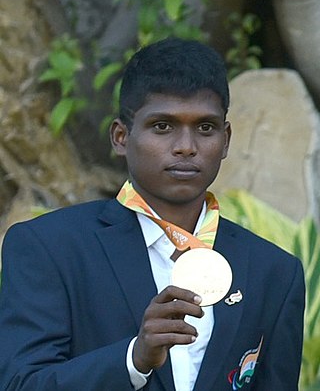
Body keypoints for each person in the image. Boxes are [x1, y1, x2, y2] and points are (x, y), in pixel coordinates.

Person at [0, 38, 305, 391]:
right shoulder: (50, 248)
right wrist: (133, 359)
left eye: (205, 127)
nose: (186, 147)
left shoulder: (275, 272)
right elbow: (20, 384)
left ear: (226, 139)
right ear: (120, 137)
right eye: (162, 126)